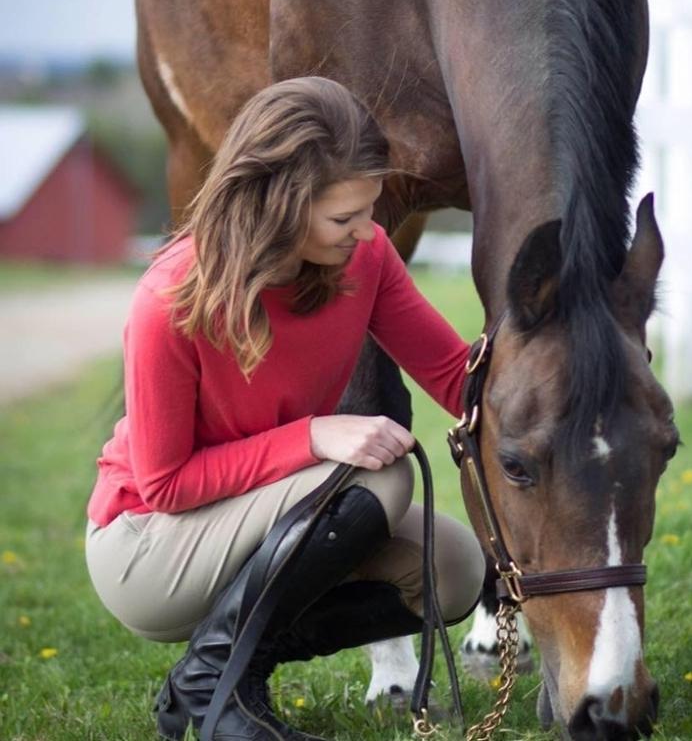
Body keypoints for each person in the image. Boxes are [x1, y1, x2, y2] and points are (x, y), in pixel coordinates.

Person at [85, 76, 486, 741]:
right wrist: (313, 435)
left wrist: (568, 360)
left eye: (371, 210)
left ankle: (217, 674)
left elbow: (453, 375)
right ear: (280, 204)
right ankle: (221, 689)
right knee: (379, 475)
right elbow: (166, 484)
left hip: (276, 517)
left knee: (453, 570)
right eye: (343, 217)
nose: (366, 232)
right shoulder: (171, 300)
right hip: (149, 547)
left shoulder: (368, 257)